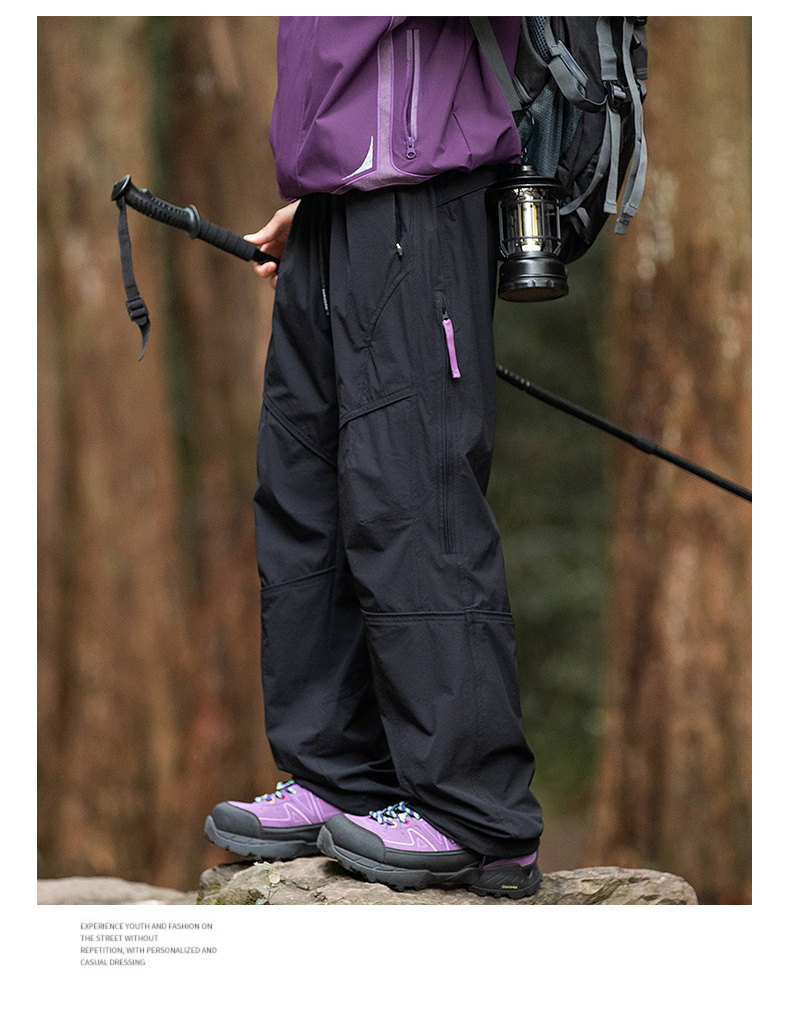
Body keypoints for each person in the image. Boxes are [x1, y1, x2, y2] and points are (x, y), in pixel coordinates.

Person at [204, 15, 544, 899]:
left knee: (413, 493)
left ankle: (478, 814)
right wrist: (325, 189)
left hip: (419, 201)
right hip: (332, 208)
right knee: (302, 495)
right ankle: (339, 774)